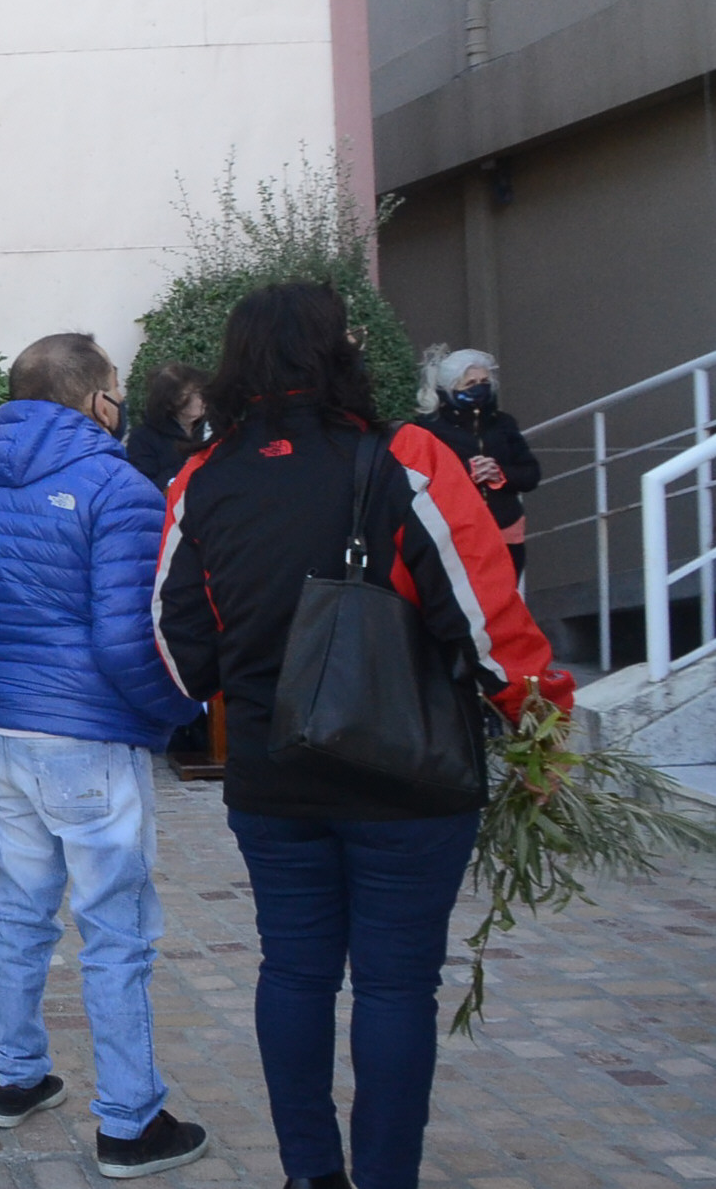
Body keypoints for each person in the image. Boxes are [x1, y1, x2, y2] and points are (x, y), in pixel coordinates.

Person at [154, 283, 573, 1189]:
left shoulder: (205, 475)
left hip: (274, 770)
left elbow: (177, 644)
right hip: (407, 772)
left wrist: (251, 678)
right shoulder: (405, 456)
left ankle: (311, 1174)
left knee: (295, 971)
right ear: (333, 351)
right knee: (392, 987)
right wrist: (542, 727)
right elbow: (487, 615)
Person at [0, 334, 211, 1179]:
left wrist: (1, 681)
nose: (120, 404)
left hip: (4, 729)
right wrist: (180, 709)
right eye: (115, 390)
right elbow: (127, 642)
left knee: (22, 905)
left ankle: (12, 1075)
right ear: (94, 399)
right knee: (114, 927)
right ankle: (129, 1120)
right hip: (86, 737)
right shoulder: (118, 486)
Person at [414, 346, 540, 576]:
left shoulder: (503, 423)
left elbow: (531, 473)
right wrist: (466, 473)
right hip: (456, 534)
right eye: (470, 384)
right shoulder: (429, 430)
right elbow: (422, 481)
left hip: (506, 531)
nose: (480, 388)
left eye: (484, 381)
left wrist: (499, 474)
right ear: (449, 390)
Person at [124, 363, 210, 490]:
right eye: (194, 394)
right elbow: (143, 487)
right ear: (171, 402)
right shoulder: (143, 438)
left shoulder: (210, 426)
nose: (202, 398)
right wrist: (186, 468)